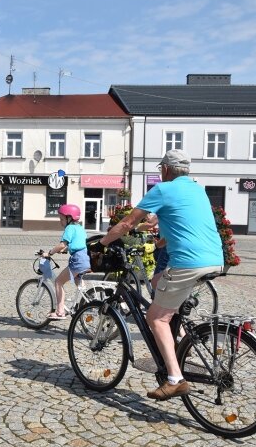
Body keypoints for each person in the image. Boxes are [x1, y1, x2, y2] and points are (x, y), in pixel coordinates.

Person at [95, 149, 223, 401]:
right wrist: (161, 243)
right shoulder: (198, 190)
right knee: (157, 281)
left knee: (156, 318)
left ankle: (175, 378)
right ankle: (178, 337)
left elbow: (127, 224)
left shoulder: (163, 190)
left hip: (188, 262)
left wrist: (102, 243)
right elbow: (184, 225)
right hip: (215, 259)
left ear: (165, 169)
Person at [43, 204, 91, 320]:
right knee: (77, 281)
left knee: (58, 282)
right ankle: (88, 301)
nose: (61, 222)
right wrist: (66, 249)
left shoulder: (69, 228)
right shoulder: (80, 228)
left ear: (69, 218)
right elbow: (78, 244)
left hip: (77, 261)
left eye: (62, 219)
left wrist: (49, 253)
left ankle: (60, 312)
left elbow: (62, 244)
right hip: (86, 259)